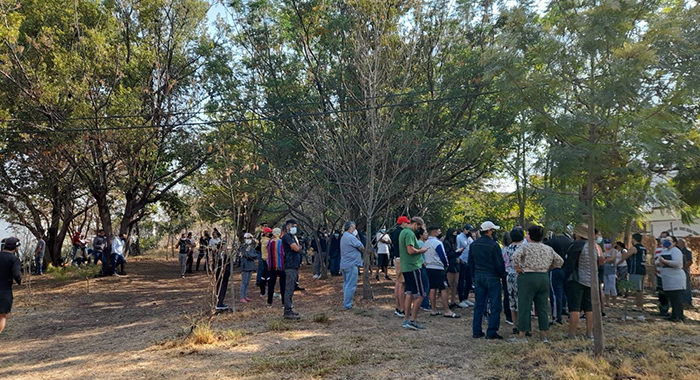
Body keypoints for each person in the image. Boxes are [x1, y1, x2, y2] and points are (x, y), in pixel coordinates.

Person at [509, 225, 564, 343]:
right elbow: (560, 261)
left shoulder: (525, 248)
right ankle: (544, 336)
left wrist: (518, 268)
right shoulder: (547, 248)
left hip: (527, 277)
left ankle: (522, 335)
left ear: (530, 235)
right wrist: (549, 268)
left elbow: (514, 257)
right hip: (543, 277)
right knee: (542, 307)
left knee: (524, 306)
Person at [563, 224, 602, 339]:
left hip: (577, 280)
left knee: (574, 308)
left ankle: (572, 334)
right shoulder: (594, 247)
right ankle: (589, 333)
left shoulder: (576, 245)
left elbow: (569, 264)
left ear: (578, 234)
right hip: (591, 280)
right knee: (589, 308)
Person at [469, 221, 506, 340]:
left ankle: (476, 330)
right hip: (492, 276)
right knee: (495, 305)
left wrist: (473, 277)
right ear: (489, 231)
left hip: (479, 275)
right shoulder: (494, 245)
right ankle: (491, 331)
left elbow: (471, 263)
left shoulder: (474, 244)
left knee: (479, 305)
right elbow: (499, 263)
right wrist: (502, 276)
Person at [423, 225, 460, 318]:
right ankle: (447, 310)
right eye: (438, 230)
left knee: (432, 288)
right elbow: (442, 256)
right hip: (438, 267)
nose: (440, 232)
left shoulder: (426, 243)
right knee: (443, 288)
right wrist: (446, 265)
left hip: (429, 267)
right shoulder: (437, 243)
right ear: (435, 232)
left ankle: (433, 309)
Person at [399, 216, 428, 330]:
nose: (419, 230)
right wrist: (422, 251)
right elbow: (410, 250)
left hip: (406, 267)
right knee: (420, 294)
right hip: (413, 267)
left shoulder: (403, 232)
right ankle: (412, 320)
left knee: (409, 293)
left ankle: (406, 319)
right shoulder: (410, 233)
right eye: (419, 227)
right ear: (415, 224)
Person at [545, 226, 573, 323]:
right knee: (565, 292)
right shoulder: (570, 241)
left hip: (555, 269)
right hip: (567, 269)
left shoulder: (551, 241)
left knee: (555, 293)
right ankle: (565, 310)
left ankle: (556, 317)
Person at [655, 237, 686, 322]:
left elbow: (678, 264)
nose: (666, 242)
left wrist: (665, 262)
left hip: (675, 279)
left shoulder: (676, 251)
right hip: (667, 279)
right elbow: (657, 261)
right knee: (671, 298)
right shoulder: (664, 251)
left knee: (676, 298)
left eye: (669, 241)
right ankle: (674, 315)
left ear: (674, 243)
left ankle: (678, 316)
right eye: (665, 241)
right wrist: (659, 263)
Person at [503, 228, 525, 335]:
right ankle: (523, 325)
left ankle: (515, 325)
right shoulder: (523, 248)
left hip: (510, 275)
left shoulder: (507, 248)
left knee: (512, 300)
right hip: (521, 275)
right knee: (521, 301)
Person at [281, 219, 303, 319]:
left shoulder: (292, 237)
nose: (295, 228)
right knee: (289, 288)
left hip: (294, 265)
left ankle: (289, 309)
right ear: (288, 226)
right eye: (293, 226)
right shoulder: (286, 237)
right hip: (290, 266)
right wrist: (299, 248)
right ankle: (287, 311)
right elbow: (296, 248)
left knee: (292, 287)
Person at [340, 221, 364, 310]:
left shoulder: (344, 236)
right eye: (354, 228)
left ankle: (346, 302)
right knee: (351, 285)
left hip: (345, 264)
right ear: (350, 228)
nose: (355, 230)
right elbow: (361, 246)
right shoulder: (351, 237)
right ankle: (348, 304)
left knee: (346, 284)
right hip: (351, 264)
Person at [0, 237, 22, 333]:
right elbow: (16, 274)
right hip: (5, 291)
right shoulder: (14, 259)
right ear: (15, 248)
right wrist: (19, 281)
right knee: (2, 316)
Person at [621, 233, 647, 311]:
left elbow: (625, 256)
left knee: (638, 289)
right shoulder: (643, 248)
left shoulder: (635, 248)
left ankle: (639, 306)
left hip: (636, 270)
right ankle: (640, 305)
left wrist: (624, 251)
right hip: (642, 269)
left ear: (634, 239)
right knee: (640, 289)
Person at [393, 216, 410, 317]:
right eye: (407, 223)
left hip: (397, 258)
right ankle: (401, 308)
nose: (408, 225)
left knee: (398, 283)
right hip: (401, 258)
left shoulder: (394, 232)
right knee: (402, 284)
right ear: (403, 223)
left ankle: (398, 306)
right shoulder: (402, 232)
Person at [456, 224, 476, 308]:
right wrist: (459, 258)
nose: (469, 232)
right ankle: (461, 299)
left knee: (469, 281)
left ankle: (466, 298)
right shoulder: (459, 237)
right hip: (462, 261)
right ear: (464, 229)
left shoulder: (470, 238)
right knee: (461, 281)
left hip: (469, 262)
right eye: (468, 230)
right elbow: (457, 249)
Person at [267, 228, 286, 307]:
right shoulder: (282, 242)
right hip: (282, 266)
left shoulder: (270, 243)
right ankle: (284, 303)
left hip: (272, 267)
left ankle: (269, 303)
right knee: (283, 285)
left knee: (271, 285)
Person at [443, 228, 461, 309]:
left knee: (455, 283)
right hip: (449, 264)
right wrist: (456, 252)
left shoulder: (454, 242)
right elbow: (448, 254)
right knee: (449, 284)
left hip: (456, 264)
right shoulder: (446, 243)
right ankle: (447, 302)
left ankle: (453, 301)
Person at [239, 233, 258, 303]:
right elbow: (247, 255)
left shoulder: (252, 247)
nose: (248, 239)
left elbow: (255, 254)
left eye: (250, 238)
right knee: (244, 282)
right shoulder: (243, 247)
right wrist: (252, 256)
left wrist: (252, 256)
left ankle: (245, 295)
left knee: (247, 282)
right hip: (245, 266)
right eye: (247, 238)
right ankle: (242, 297)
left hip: (250, 265)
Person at [677, 239, 693, 306]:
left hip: (685, 271)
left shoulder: (687, 251)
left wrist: (683, 268)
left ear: (683, 244)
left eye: (679, 243)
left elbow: (690, 262)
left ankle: (687, 301)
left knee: (686, 286)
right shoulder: (677, 251)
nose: (677, 244)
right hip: (678, 271)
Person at [602, 240, 617, 307]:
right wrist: (606, 259)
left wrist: (605, 259)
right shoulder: (603, 251)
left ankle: (614, 302)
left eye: (608, 243)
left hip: (612, 270)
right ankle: (607, 302)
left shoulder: (613, 250)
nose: (607, 245)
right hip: (605, 270)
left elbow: (612, 259)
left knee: (612, 286)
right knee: (606, 287)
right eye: (606, 243)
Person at [258, 227, 272, 295]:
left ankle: (263, 291)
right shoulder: (266, 241)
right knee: (268, 275)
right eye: (269, 232)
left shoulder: (263, 240)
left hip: (264, 258)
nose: (270, 234)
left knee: (264, 275)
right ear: (266, 233)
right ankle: (264, 291)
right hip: (267, 259)